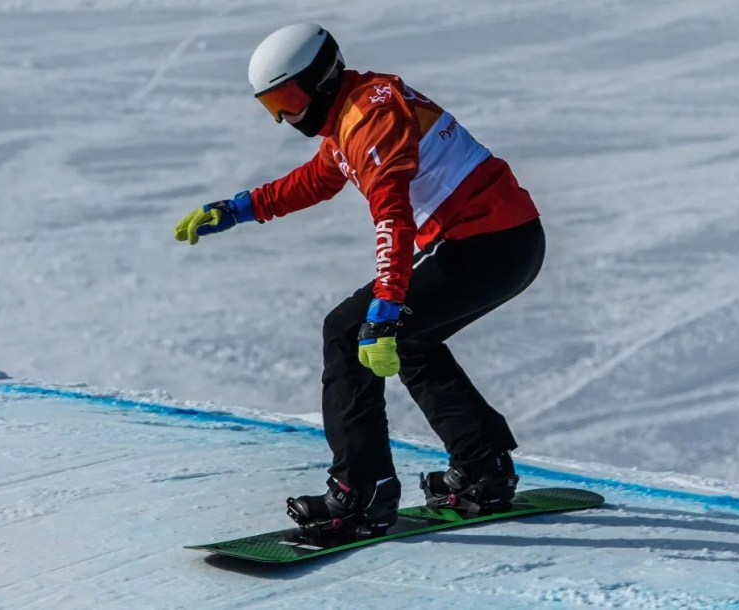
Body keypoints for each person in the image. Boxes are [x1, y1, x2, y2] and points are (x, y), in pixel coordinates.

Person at [173, 23, 544, 536]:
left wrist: (385, 308)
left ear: (321, 78)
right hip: (503, 241)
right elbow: (317, 178)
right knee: (411, 342)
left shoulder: (372, 117)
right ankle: (483, 468)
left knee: (349, 331)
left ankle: (361, 493)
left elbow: (392, 216)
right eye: (271, 106)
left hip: (488, 244)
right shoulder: (356, 112)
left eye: (288, 98)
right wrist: (239, 209)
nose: (284, 116)